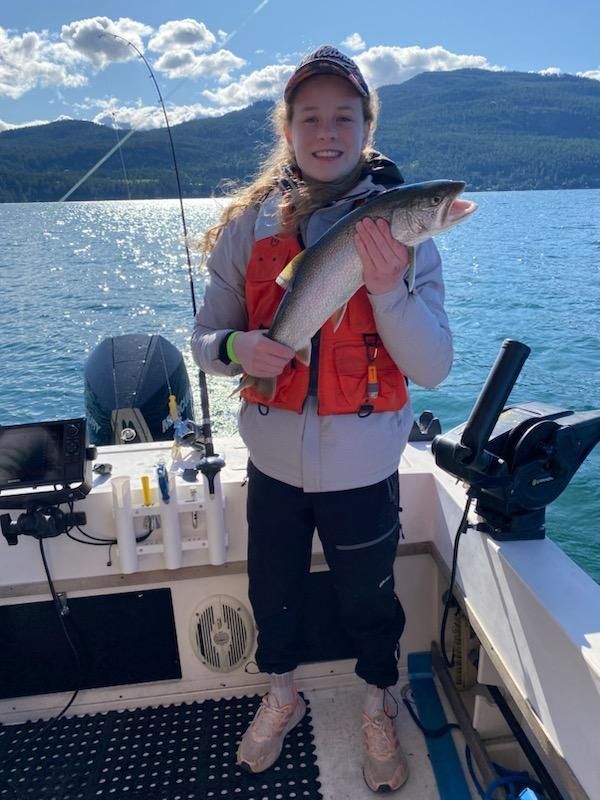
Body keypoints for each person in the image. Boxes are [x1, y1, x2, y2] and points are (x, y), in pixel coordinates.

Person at [191, 44, 452, 794]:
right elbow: (206, 340)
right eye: (311, 117)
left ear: (368, 127)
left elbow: (433, 365)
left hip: (365, 467)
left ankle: (378, 702)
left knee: (369, 599)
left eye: (344, 116)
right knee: (271, 593)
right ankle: (282, 693)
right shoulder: (246, 228)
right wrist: (238, 348)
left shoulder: (402, 229)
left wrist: (389, 289)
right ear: (287, 129)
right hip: (272, 464)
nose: (327, 131)